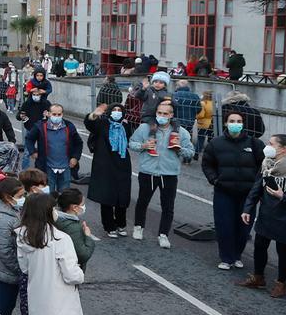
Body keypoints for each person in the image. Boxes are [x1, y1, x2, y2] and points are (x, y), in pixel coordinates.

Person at [17, 192, 84, 315]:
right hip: (60, 303)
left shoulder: (23, 235)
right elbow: (71, 275)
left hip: (38, 299)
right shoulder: (61, 239)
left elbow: (24, 268)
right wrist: (81, 274)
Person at [237, 134, 286, 297]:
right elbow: (257, 186)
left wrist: (284, 197)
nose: (267, 146)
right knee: (259, 245)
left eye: (271, 144)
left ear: (283, 149)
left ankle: (281, 284)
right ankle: (258, 277)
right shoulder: (267, 163)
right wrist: (247, 208)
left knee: (283, 250)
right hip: (267, 213)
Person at [130, 100, 196, 247]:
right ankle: (138, 227)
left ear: (171, 115)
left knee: (168, 206)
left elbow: (190, 152)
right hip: (148, 172)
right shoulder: (144, 128)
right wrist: (144, 145)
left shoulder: (181, 132)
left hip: (169, 174)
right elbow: (132, 143)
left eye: (165, 114)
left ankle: (163, 235)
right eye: (159, 113)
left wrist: (179, 149)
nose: (162, 116)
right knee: (142, 201)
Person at [202, 113, 264, 270]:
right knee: (224, 226)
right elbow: (207, 164)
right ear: (226, 123)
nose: (235, 124)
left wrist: (258, 187)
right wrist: (214, 180)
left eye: (239, 121)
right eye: (232, 121)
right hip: (224, 192)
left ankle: (237, 255)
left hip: (247, 195)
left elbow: (264, 166)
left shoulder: (255, 144)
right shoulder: (215, 144)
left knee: (244, 228)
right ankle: (226, 257)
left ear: (243, 124)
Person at [85, 103, 132, 237]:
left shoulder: (125, 125)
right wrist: (94, 115)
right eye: (114, 110)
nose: (117, 112)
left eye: (119, 110)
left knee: (122, 196)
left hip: (122, 164)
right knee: (106, 196)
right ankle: (109, 226)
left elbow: (129, 139)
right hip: (104, 164)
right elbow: (90, 125)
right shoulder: (102, 124)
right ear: (110, 112)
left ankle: (121, 224)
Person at [0, 175, 26, 315]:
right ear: (7, 197)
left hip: (13, 269)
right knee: (4, 308)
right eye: (20, 196)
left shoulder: (12, 210)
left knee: (8, 306)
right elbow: (4, 251)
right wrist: (20, 268)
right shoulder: (2, 220)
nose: (23, 198)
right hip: (9, 271)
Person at [25, 104, 83, 193]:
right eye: (54, 114)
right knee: (47, 195)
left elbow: (78, 143)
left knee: (65, 196)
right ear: (48, 114)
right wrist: (32, 151)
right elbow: (29, 138)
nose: (56, 117)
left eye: (59, 114)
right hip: (47, 167)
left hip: (65, 167)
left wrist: (75, 157)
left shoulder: (69, 127)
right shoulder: (40, 126)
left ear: (62, 114)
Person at [54, 188, 96, 270]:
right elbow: (83, 255)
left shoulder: (57, 218)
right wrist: (88, 236)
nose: (84, 207)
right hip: (69, 271)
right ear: (75, 207)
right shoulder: (72, 227)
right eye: (82, 204)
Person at [171, 81, 202, 162]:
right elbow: (199, 109)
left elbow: (171, 108)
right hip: (189, 120)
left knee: (175, 137)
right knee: (187, 137)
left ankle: (174, 155)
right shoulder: (195, 96)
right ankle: (187, 158)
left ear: (177, 86)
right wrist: (192, 114)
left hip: (176, 120)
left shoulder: (174, 95)